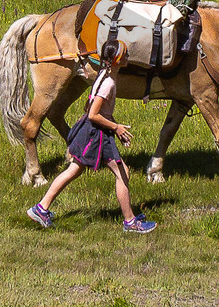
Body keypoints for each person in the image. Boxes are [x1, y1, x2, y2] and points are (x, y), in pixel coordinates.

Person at [27, 44, 156, 233]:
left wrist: (111, 126)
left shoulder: (103, 75)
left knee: (74, 170)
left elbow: (89, 108)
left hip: (93, 131)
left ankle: (41, 209)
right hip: (97, 133)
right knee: (122, 173)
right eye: (125, 54)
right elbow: (93, 114)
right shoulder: (108, 83)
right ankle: (130, 222)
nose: (128, 56)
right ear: (117, 60)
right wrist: (116, 127)